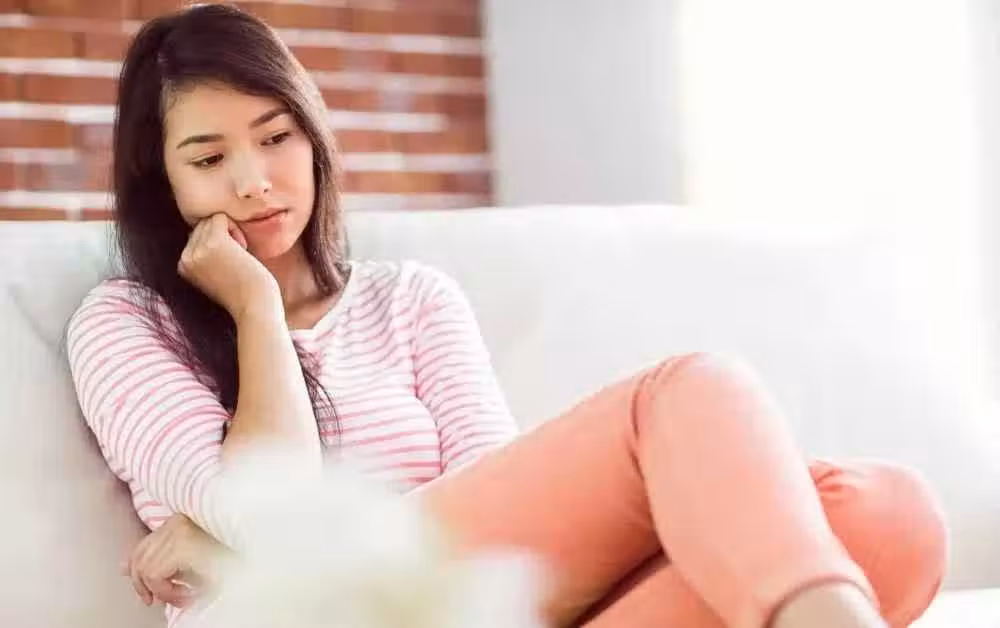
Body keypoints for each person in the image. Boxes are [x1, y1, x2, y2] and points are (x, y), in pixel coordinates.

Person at [65, 4, 947, 628]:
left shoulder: (411, 300)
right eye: (209, 158)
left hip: (461, 603)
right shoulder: (124, 324)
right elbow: (270, 508)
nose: (255, 180)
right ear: (162, 181)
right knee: (688, 390)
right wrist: (256, 305)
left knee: (885, 516)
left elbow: (512, 520)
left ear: (313, 135)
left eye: (276, 137)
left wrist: (229, 550)